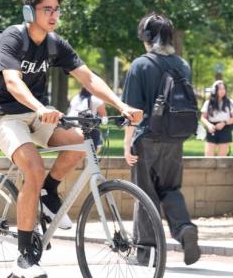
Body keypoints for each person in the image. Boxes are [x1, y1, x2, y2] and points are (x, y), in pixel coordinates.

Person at [0, 0, 142, 278]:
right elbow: (13, 82)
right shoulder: (12, 39)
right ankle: (25, 257)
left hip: (36, 114)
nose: (53, 15)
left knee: (80, 143)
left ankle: (48, 193)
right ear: (30, 12)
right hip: (2, 114)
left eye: (57, 9)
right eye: (46, 9)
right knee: (33, 168)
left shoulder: (56, 44)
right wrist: (41, 108)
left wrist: (122, 106)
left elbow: (88, 78)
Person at [122, 13, 201, 266]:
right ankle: (184, 229)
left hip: (146, 138)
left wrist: (127, 143)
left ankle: (145, 253)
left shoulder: (141, 65)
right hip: (175, 140)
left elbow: (132, 112)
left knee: (145, 194)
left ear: (146, 36)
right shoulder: (182, 65)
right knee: (170, 190)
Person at [66, 86, 107, 153]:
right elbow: (104, 117)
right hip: (86, 127)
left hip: (70, 126)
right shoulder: (96, 99)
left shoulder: (76, 97)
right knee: (95, 150)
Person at [200, 80, 233, 157]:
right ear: (214, 90)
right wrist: (209, 125)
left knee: (222, 159)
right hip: (212, 129)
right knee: (208, 157)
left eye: (224, 88)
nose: (222, 91)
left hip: (225, 129)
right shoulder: (208, 103)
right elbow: (203, 117)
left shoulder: (230, 102)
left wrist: (224, 123)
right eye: (220, 89)